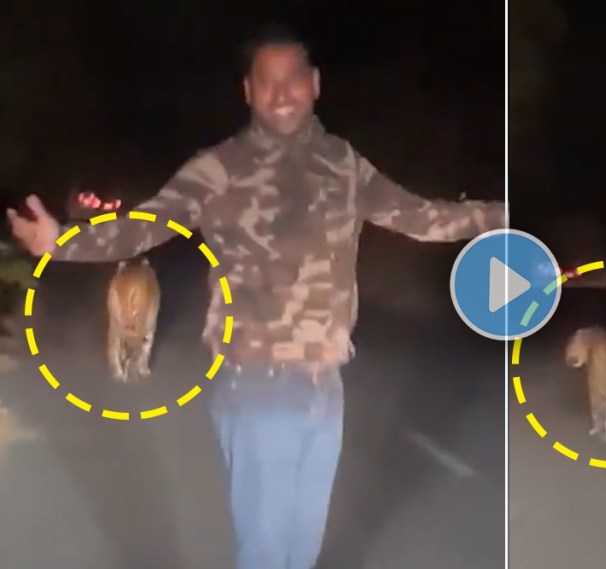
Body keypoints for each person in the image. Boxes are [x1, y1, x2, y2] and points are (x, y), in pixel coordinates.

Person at [6, 24, 505, 569]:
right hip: (257, 385)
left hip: (326, 385)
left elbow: (422, 217)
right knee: (267, 554)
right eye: (266, 82)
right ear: (248, 92)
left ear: (314, 84)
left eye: (293, 79)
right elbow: (146, 225)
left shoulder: (343, 164)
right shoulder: (219, 169)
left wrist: (498, 217)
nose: (281, 92)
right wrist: (64, 242)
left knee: (302, 552)